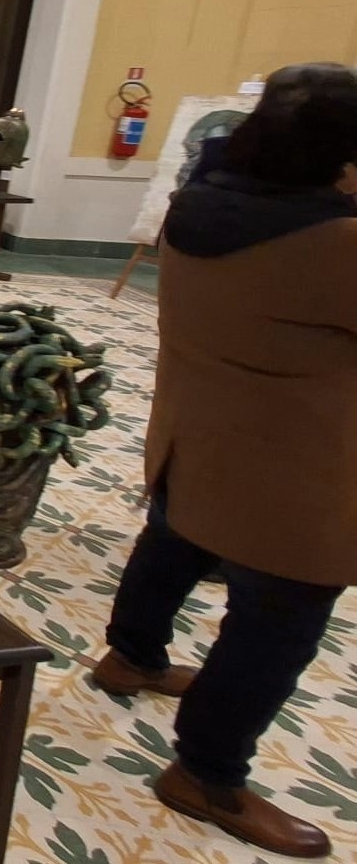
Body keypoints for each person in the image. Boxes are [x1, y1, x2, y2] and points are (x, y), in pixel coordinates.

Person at [90, 63, 357, 860]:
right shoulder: (336, 245)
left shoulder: (191, 211)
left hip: (193, 434)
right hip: (297, 471)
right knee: (276, 624)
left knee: (173, 542)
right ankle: (207, 770)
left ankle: (132, 654)